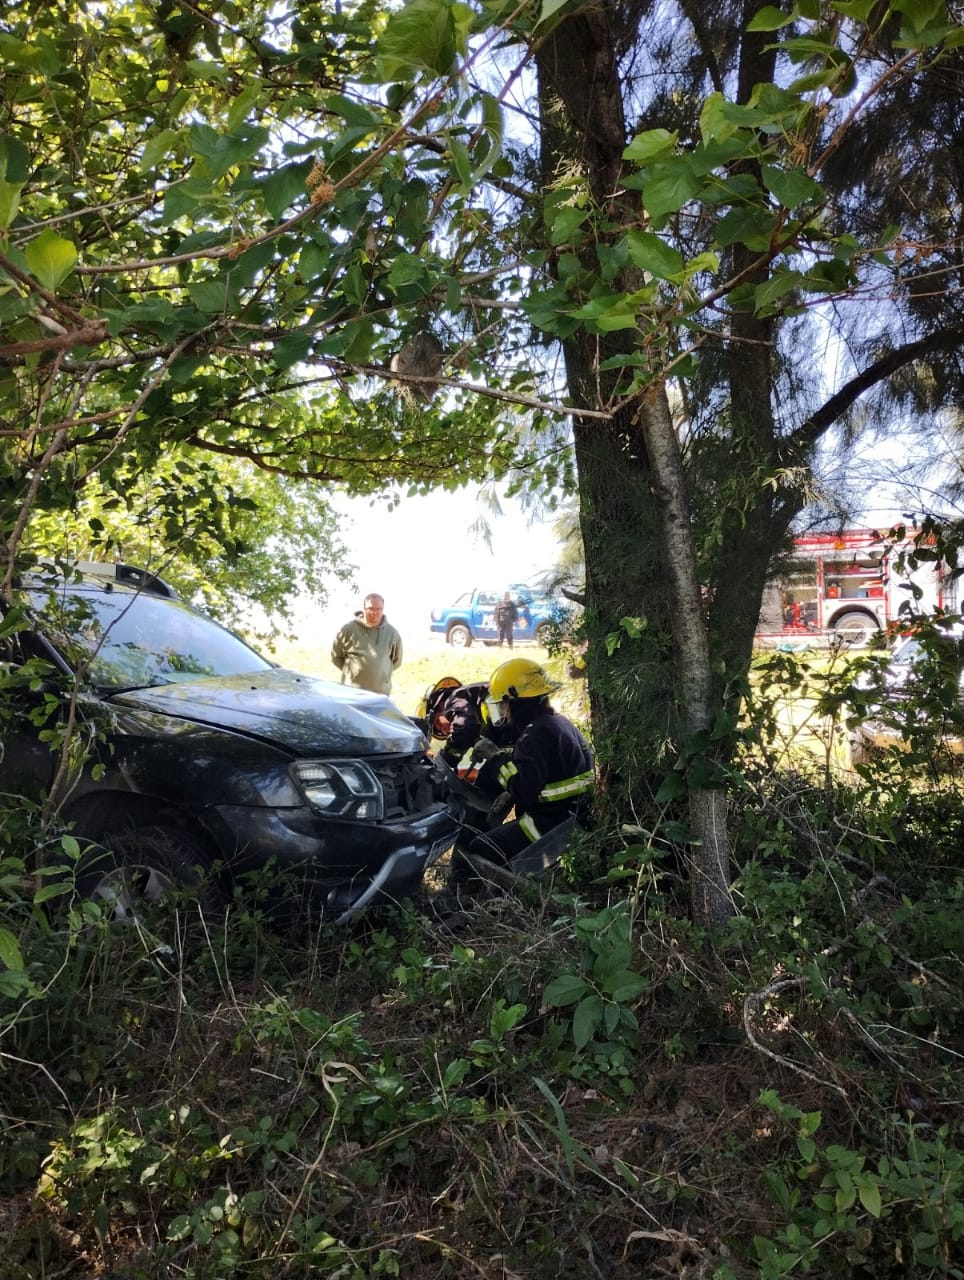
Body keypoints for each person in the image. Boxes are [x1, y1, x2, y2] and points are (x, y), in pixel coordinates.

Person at [455, 657, 594, 879]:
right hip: (574, 819)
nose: (503, 711)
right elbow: (544, 776)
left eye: (503, 704)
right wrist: (509, 795)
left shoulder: (534, 735)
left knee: (480, 847)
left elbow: (525, 791)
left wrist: (497, 758)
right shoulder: (558, 724)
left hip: (550, 824)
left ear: (517, 701)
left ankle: (484, 904)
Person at [330, 593, 403, 695]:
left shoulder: (392, 633)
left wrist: (380, 673)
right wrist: (354, 673)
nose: (375, 612)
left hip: (381, 692)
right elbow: (335, 657)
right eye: (370, 609)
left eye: (379, 609)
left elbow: (397, 661)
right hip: (352, 691)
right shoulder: (347, 629)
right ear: (363, 608)